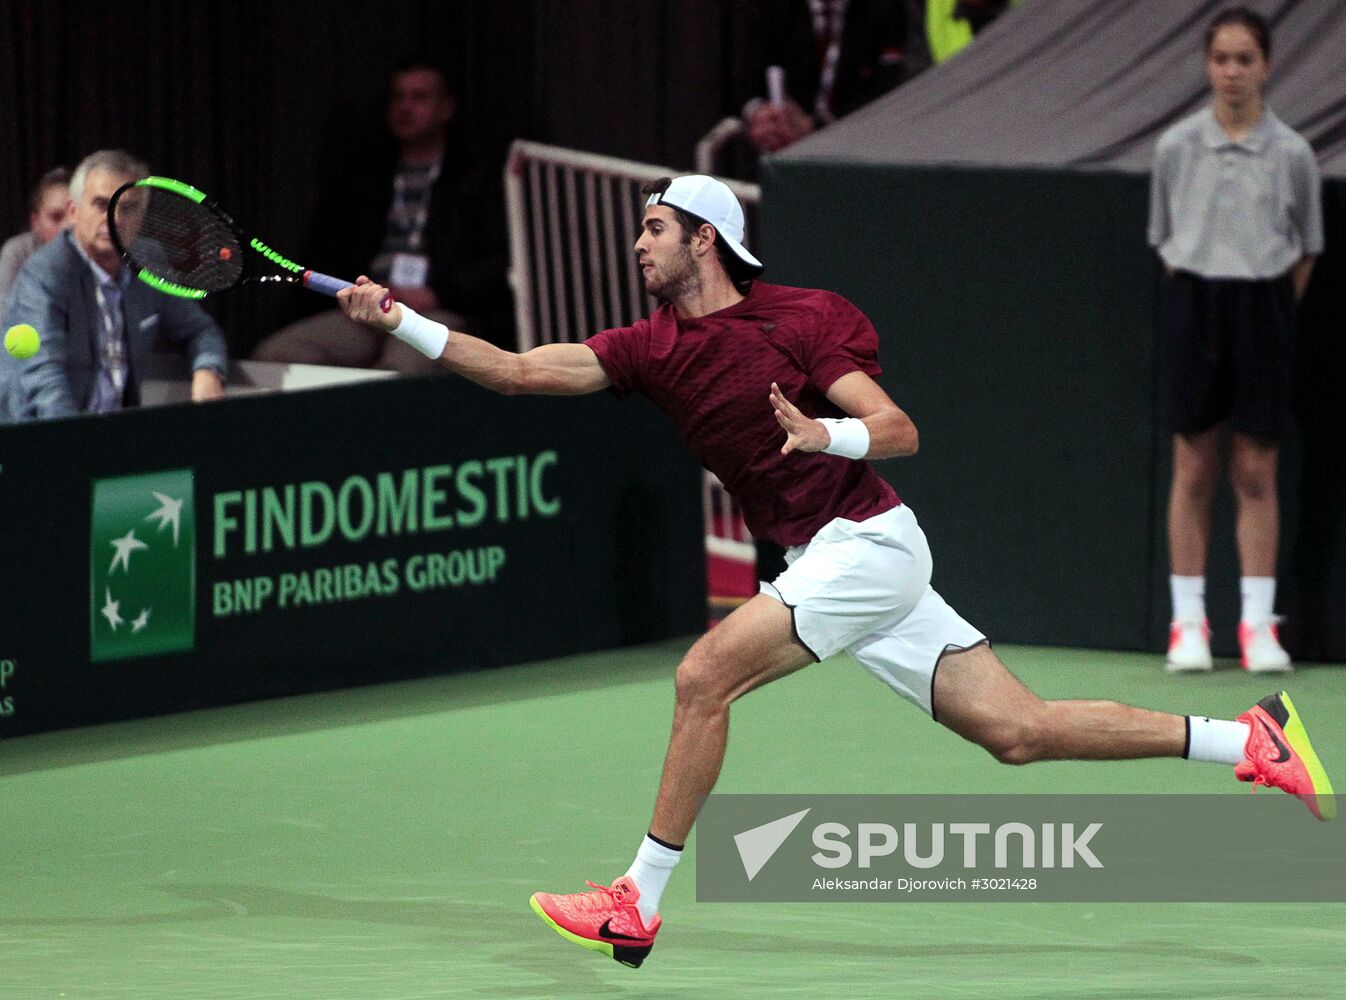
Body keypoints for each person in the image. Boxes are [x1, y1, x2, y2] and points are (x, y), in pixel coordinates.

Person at [338, 173, 1335, 969]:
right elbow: (516, 369)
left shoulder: (796, 322)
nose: (636, 244)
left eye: (653, 227)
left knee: (701, 677)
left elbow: (897, 429)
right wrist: (400, 324)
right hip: (840, 561)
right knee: (1018, 734)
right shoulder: (645, 348)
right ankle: (1243, 739)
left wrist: (823, 431)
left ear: (703, 238)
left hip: (864, 545)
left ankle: (635, 902)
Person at [1148, 7, 1323, 674]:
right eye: (1221, 58)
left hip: (1265, 310)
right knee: (1193, 467)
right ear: (1206, 64)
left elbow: (1307, 247)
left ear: (1266, 67)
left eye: (1244, 59)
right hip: (1196, 302)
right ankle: (1187, 624)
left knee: (1256, 469)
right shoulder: (1175, 148)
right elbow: (1165, 237)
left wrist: (1267, 308)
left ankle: (1257, 627)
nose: (1231, 71)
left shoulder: (1293, 154)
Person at [251, 57, 512, 372]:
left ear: (446, 108)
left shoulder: (477, 178)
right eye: (398, 97)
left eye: (419, 97)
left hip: (437, 309)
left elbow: (495, 262)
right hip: (369, 305)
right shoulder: (366, 176)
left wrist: (437, 293)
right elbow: (332, 251)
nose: (405, 107)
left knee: (401, 368)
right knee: (276, 355)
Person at [2, 150, 227, 421]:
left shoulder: (147, 264)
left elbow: (200, 329)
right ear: (74, 211)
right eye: (101, 204)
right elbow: (44, 375)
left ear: (141, 217)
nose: (114, 219)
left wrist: (208, 370)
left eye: (128, 207)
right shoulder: (45, 272)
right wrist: (74, 444)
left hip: (116, 434)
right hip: (39, 436)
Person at [739, 0, 908, 162]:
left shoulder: (887, 8)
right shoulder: (772, 7)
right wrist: (758, 113)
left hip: (859, 153)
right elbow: (745, 80)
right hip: (780, 157)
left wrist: (816, 127)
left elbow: (890, 95)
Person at [0, 167, 71, 305]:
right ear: (35, 221)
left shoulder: (99, 254)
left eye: (74, 215)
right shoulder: (18, 252)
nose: (67, 226)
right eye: (56, 217)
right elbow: (3, 316)